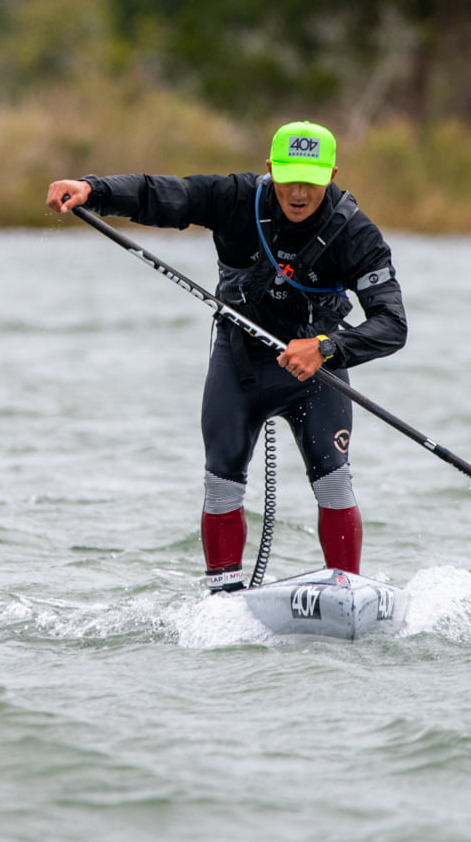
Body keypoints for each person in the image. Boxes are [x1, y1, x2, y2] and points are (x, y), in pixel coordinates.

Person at [46, 120, 407, 592]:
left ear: (332, 174)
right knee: (221, 486)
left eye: (312, 182)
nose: (298, 192)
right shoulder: (236, 199)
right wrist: (92, 189)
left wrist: (327, 347)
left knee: (334, 483)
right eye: (289, 177)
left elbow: (392, 325)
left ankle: (345, 592)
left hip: (317, 368)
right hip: (240, 366)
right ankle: (223, 597)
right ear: (270, 169)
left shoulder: (355, 234)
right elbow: (164, 195)